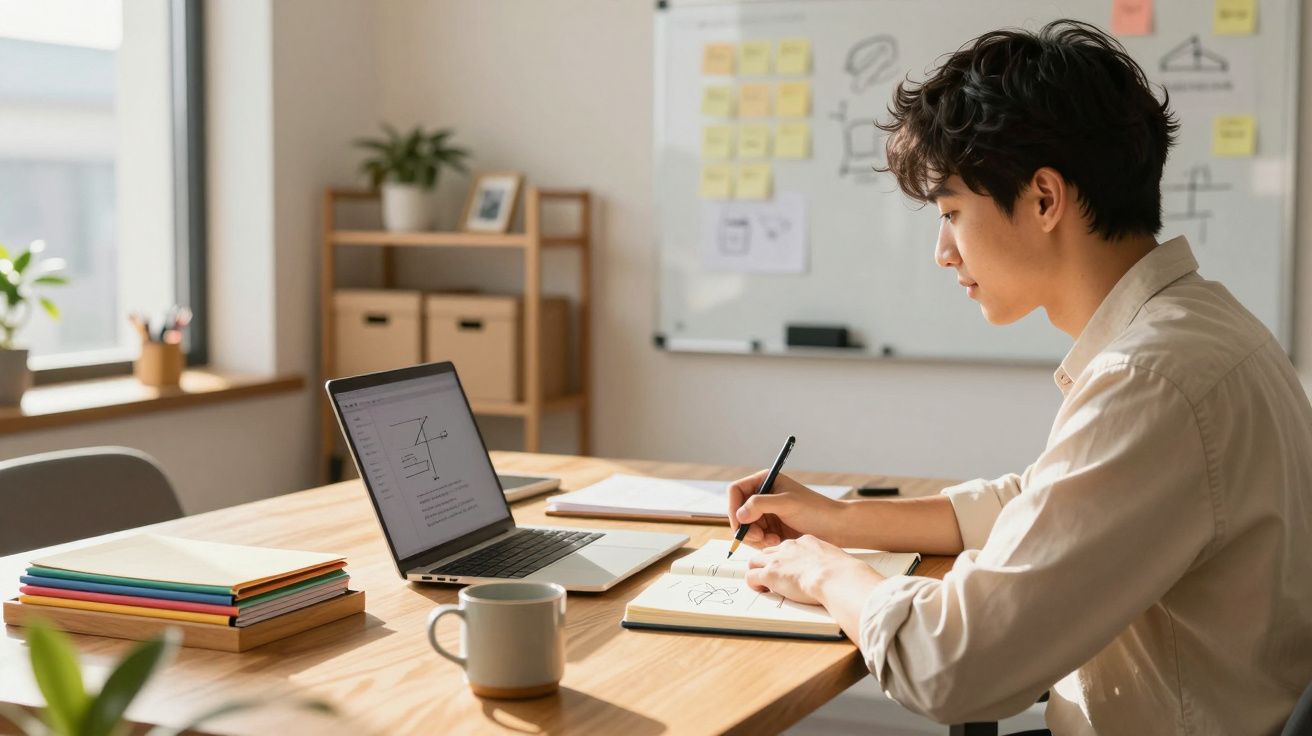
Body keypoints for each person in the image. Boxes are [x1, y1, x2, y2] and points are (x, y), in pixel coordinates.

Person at [727, 20, 1312, 735]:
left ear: (1043, 199)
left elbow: (949, 668)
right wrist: (842, 521)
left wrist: (824, 572)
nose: (943, 252)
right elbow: (1042, 503)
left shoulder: (1152, 379)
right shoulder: (1199, 325)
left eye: (951, 213)